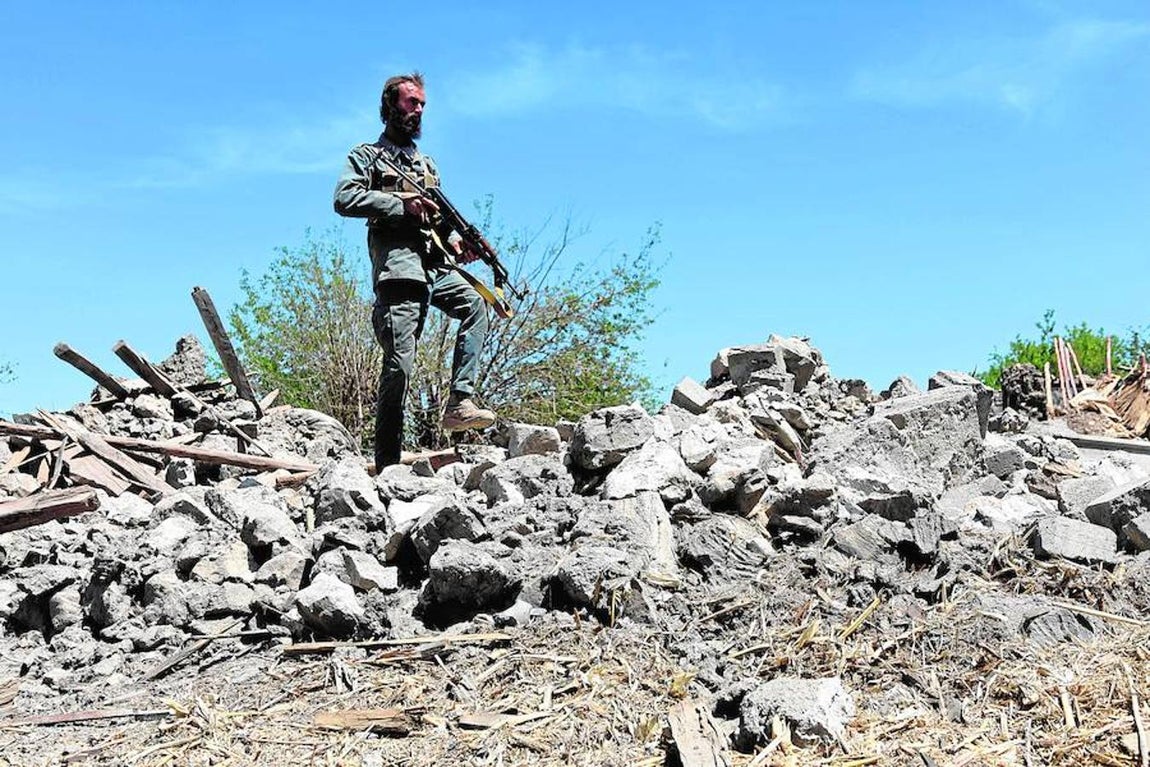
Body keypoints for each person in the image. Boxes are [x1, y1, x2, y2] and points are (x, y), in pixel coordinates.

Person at [333, 72, 495, 471]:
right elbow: (344, 198)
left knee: (476, 305)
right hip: (399, 270)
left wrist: (457, 245)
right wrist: (400, 204)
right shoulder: (367, 156)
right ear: (390, 105)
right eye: (410, 102)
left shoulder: (426, 165)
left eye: (422, 104)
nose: (418, 110)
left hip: (432, 266)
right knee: (399, 367)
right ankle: (387, 466)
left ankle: (460, 401)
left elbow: (438, 225)